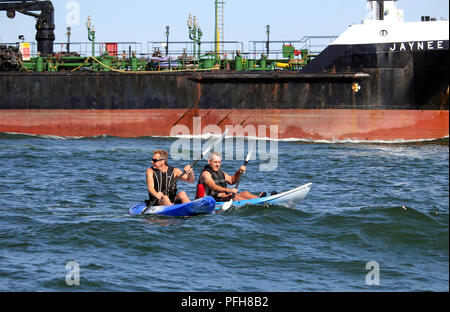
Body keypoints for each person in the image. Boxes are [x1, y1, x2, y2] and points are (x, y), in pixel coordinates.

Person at [196, 152, 261, 202]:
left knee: (245, 193)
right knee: (232, 196)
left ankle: (260, 199)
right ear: (209, 161)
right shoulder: (205, 174)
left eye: (219, 162)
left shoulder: (220, 172)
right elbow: (213, 187)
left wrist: (239, 171)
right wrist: (229, 190)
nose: (217, 165)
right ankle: (255, 204)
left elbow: (232, 180)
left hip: (224, 197)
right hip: (210, 201)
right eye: (215, 162)